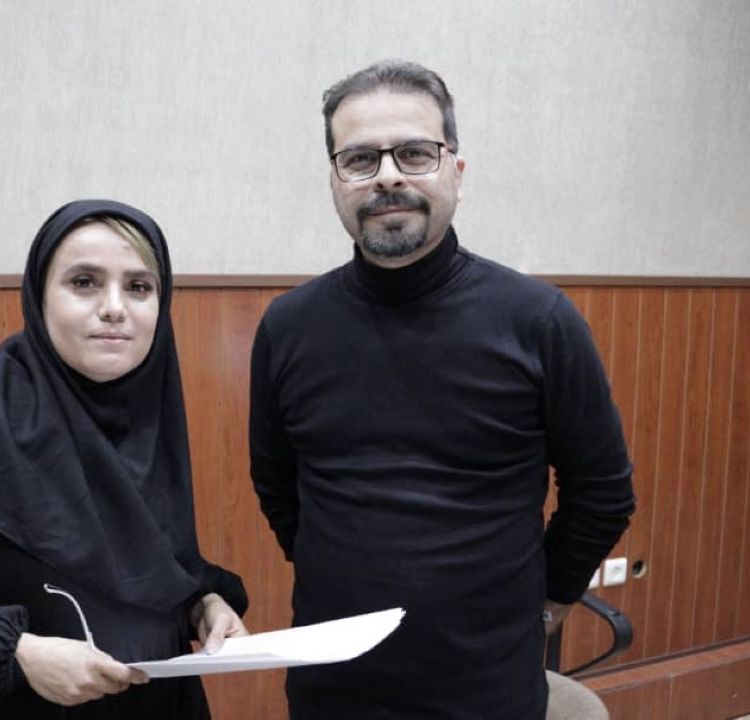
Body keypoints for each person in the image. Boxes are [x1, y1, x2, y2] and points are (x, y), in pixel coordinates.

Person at [249, 60, 635, 719]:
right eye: (360, 159)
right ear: (336, 180)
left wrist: (542, 602)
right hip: (332, 691)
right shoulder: (287, 327)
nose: (388, 176)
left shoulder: (539, 321)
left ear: (456, 170)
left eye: (414, 153)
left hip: (488, 689)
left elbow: (602, 493)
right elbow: (279, 490)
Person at [0, 200, 248, 719]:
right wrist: (17, 653)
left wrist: (198, 603)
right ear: (39, 297)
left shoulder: (146, 426)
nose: (115, 307)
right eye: (84, 282)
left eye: (139, 287)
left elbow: (143, 568)